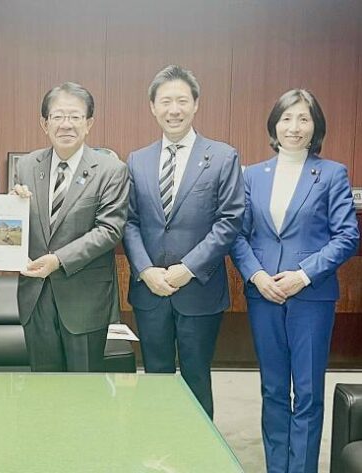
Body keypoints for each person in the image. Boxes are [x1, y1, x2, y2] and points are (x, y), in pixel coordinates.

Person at [231, 89, 359, 473]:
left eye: (304, 118)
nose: (294, 127)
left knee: (307, 392)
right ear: (274, 125)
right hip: (264, 295)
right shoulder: (252, 175)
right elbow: (238, 235)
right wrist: (257, 276)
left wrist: (303, 275)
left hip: (311, 298)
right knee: (272, 390)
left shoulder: (332, 174)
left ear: (316, 126)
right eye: (286, 118)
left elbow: (347, 237)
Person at [123, 65, 244, 418]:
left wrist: (187, 269)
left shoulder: (222, 157)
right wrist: (146, 270)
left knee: (196, 377)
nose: (173, 109)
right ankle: (157, 444)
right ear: (152, 107)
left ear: (195, 104)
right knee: (156, 377)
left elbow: (229, 221)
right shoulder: (137, 160)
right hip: (150, 291)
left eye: (181, 101)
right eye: (165, 101)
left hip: (198, 290)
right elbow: (129, 222)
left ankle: (198, 448)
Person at [13, 82, 129, 372]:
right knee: (43, 386)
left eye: (75, 116)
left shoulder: (111, 170)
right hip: (36, 296)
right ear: (45, 123)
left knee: (83, 389)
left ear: (89, 123)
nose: (66, 124)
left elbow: (109, 230)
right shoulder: (26, 166)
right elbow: (14, 225)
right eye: (58, 116)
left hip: (85, 300)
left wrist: (58, 260)